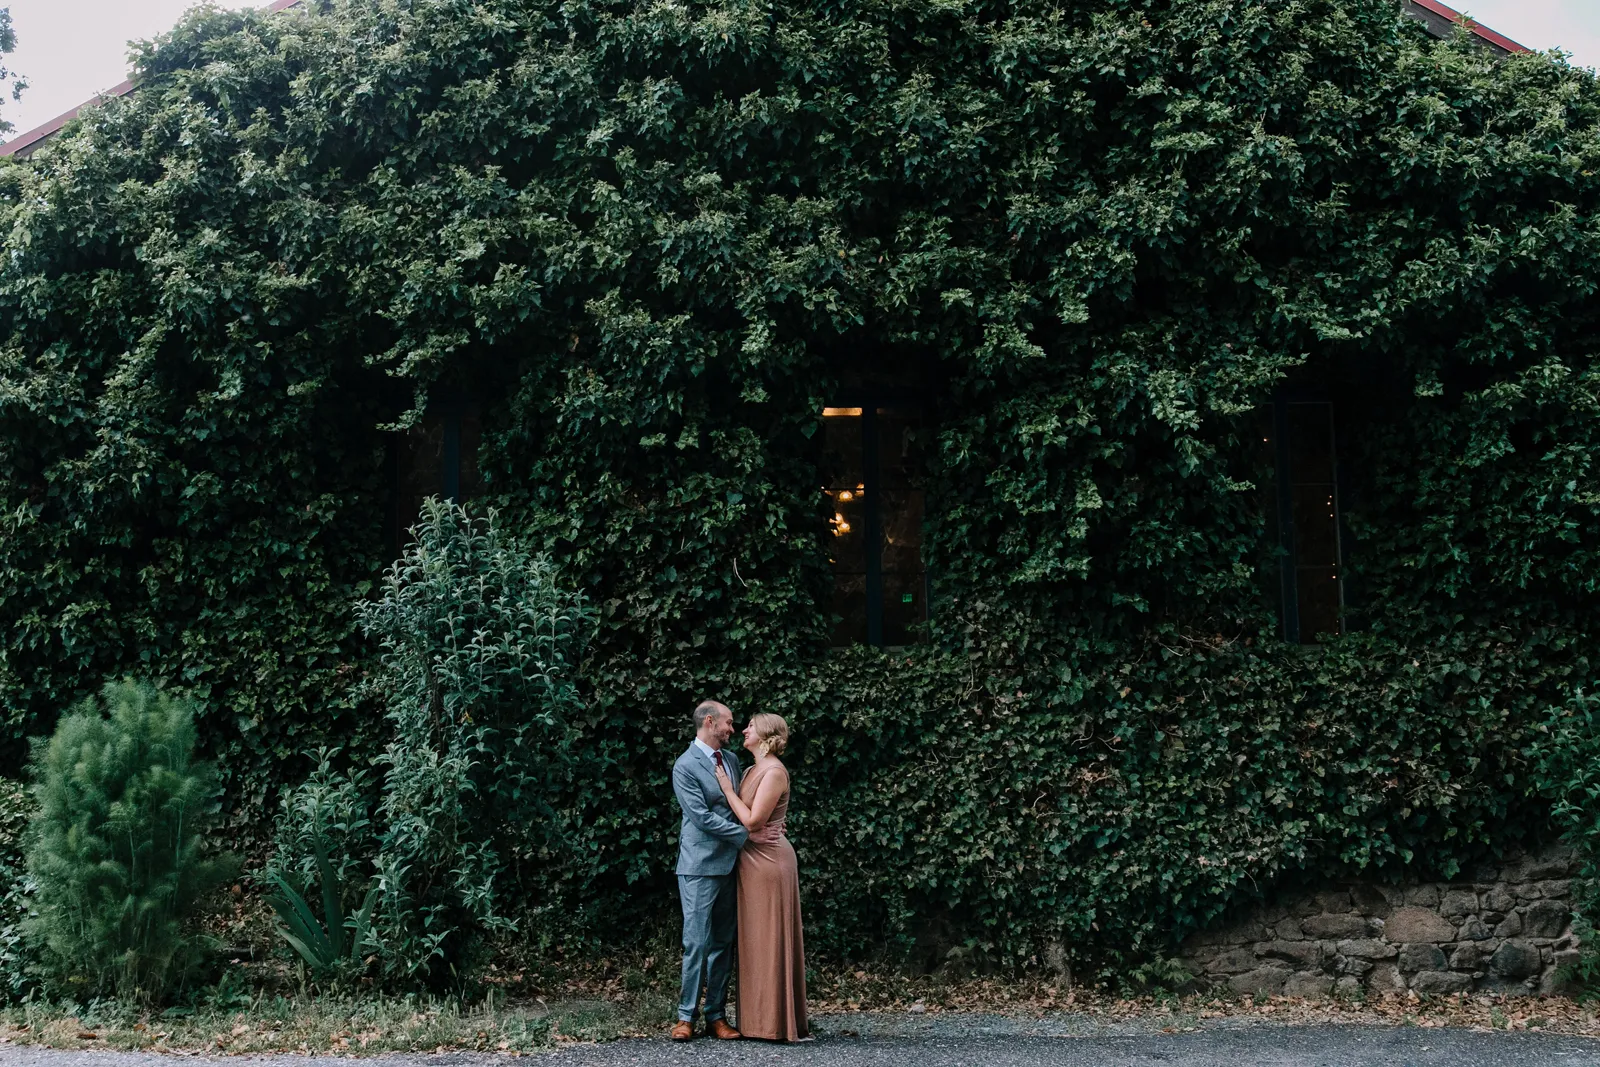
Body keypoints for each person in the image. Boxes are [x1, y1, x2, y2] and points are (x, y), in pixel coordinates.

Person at [713, 712, 809, 1043]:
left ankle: (775, 1023)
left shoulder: (774, 772)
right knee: (753, 940)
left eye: (750, 727)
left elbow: (754, 822)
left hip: (769, 861)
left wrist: (727, 788)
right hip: (750, 860)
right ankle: (756, 1021)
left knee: (769, 937)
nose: (743, 730)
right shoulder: (754, 768)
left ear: (766, 735)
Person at [670, 699, 746, 1042]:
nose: (733, 729)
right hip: (699, 866)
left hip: (731, 864)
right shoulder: (684, 766)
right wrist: (747, 834)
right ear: (710, 722)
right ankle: (686, 1016)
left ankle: (716, 1015)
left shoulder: (731, 760)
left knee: (722, 943)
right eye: (728, 723)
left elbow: (740, 805)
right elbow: (701, 817)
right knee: (696, 943)